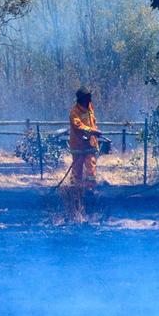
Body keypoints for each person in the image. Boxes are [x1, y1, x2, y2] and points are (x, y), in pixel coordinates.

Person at [62, 88, 101, 220]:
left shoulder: (89, 107)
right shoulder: (74, 112)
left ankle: (90, 190)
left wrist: (94, 132)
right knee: (77, 169)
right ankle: (75, 192)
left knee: (91, 165)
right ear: (81, 99)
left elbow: (92, 121)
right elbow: (78, 126)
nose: (90, 98)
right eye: (88, 96)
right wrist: (92, 131)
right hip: (78, 145)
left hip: (89, 143)